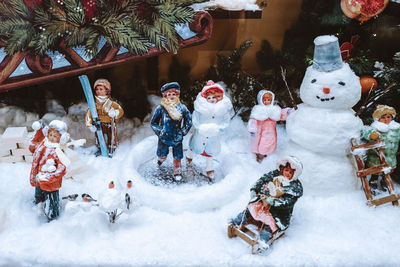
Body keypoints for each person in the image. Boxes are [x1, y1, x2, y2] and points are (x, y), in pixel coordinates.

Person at [229, 156, 303, 251]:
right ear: (282, 168)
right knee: (251, 208)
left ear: (295, 174)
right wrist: (254, 190)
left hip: (278, 212)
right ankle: (237, 221)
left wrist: (275, 202)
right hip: (264, 202)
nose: (287, 174)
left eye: (291, 172)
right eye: (286, 170)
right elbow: (263, 180)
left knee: (270, 224)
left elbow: (287, 202)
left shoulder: (294, 187)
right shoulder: (275, 174)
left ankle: (263, 239)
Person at [186, 80, 233, 179]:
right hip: (200, 134)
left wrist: (220, 129)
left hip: (214, 136)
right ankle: (189, 157)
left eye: (214, 97)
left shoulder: (223, 110)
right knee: (194, 146)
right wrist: (199, 127)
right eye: (209, 98)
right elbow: (195, 118)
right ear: (205, 98)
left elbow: (226, 121)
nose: (212, 99)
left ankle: (209, 169)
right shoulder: (200, 108)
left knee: (210, 152)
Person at [29, 120, 71, 221]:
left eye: (55, 136)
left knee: (51, 200)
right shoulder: (44, 144)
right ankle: (39, 203)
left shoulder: (58, 151)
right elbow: (32, 147)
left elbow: (62, 168)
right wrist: (39, 130)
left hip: (51, 182)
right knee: (39, 194)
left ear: (61, 138)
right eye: (50, 134)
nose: (51, 137)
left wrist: (49, 178)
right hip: (39, 177)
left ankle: (52, 217)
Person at [150, 82, 192, 179]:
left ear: (177, 94)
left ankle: (177, 169)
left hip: (177, 136)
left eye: (174, 94)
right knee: (162, 153)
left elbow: (188, 120)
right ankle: (161, 159)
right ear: (165, 95)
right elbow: (153, 123)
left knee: (177, 155)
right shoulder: (161, 108)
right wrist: (161, 131)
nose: (171, 96)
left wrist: (183, 131)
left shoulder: (182, 107)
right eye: (169, 94)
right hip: (164, 136)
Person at [362, 105, 400, 190]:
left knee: (388, 170)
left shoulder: (396, 128)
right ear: (378, 118)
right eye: (383, 117)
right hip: (376, 156)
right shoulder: (375, 127)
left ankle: (385, 181)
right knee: (376, 171)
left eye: (388, 117)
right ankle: (373, 182)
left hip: (391, 156)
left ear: (392, 117)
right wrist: (371, 135)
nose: (386, 119)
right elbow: (365, 131)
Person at [248, 90, 291, 163]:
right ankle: (259, 155)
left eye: (269, 100)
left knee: (268, 143)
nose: (267, 102)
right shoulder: (258, 110)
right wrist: (252, 128)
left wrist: (288, 112)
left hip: (270, 132)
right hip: (259, 132)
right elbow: (253, 120)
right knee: (258, 144)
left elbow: (281, 114)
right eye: (265, 100)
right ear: (260, 100)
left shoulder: (274, 109)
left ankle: (266, 156)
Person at [85, 78, 124, 155]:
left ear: (107, 91)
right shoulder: (94, 103)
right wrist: (89, 125)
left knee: (112, 137)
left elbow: (120, 111)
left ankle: (112, 149)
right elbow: (89, 113)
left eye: (101, 89)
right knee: (99, 137)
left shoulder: (111, 103)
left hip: (110, 124)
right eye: (97, 89)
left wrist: (115, 113)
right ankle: (100, 148)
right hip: (99, 124)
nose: (98, 91)